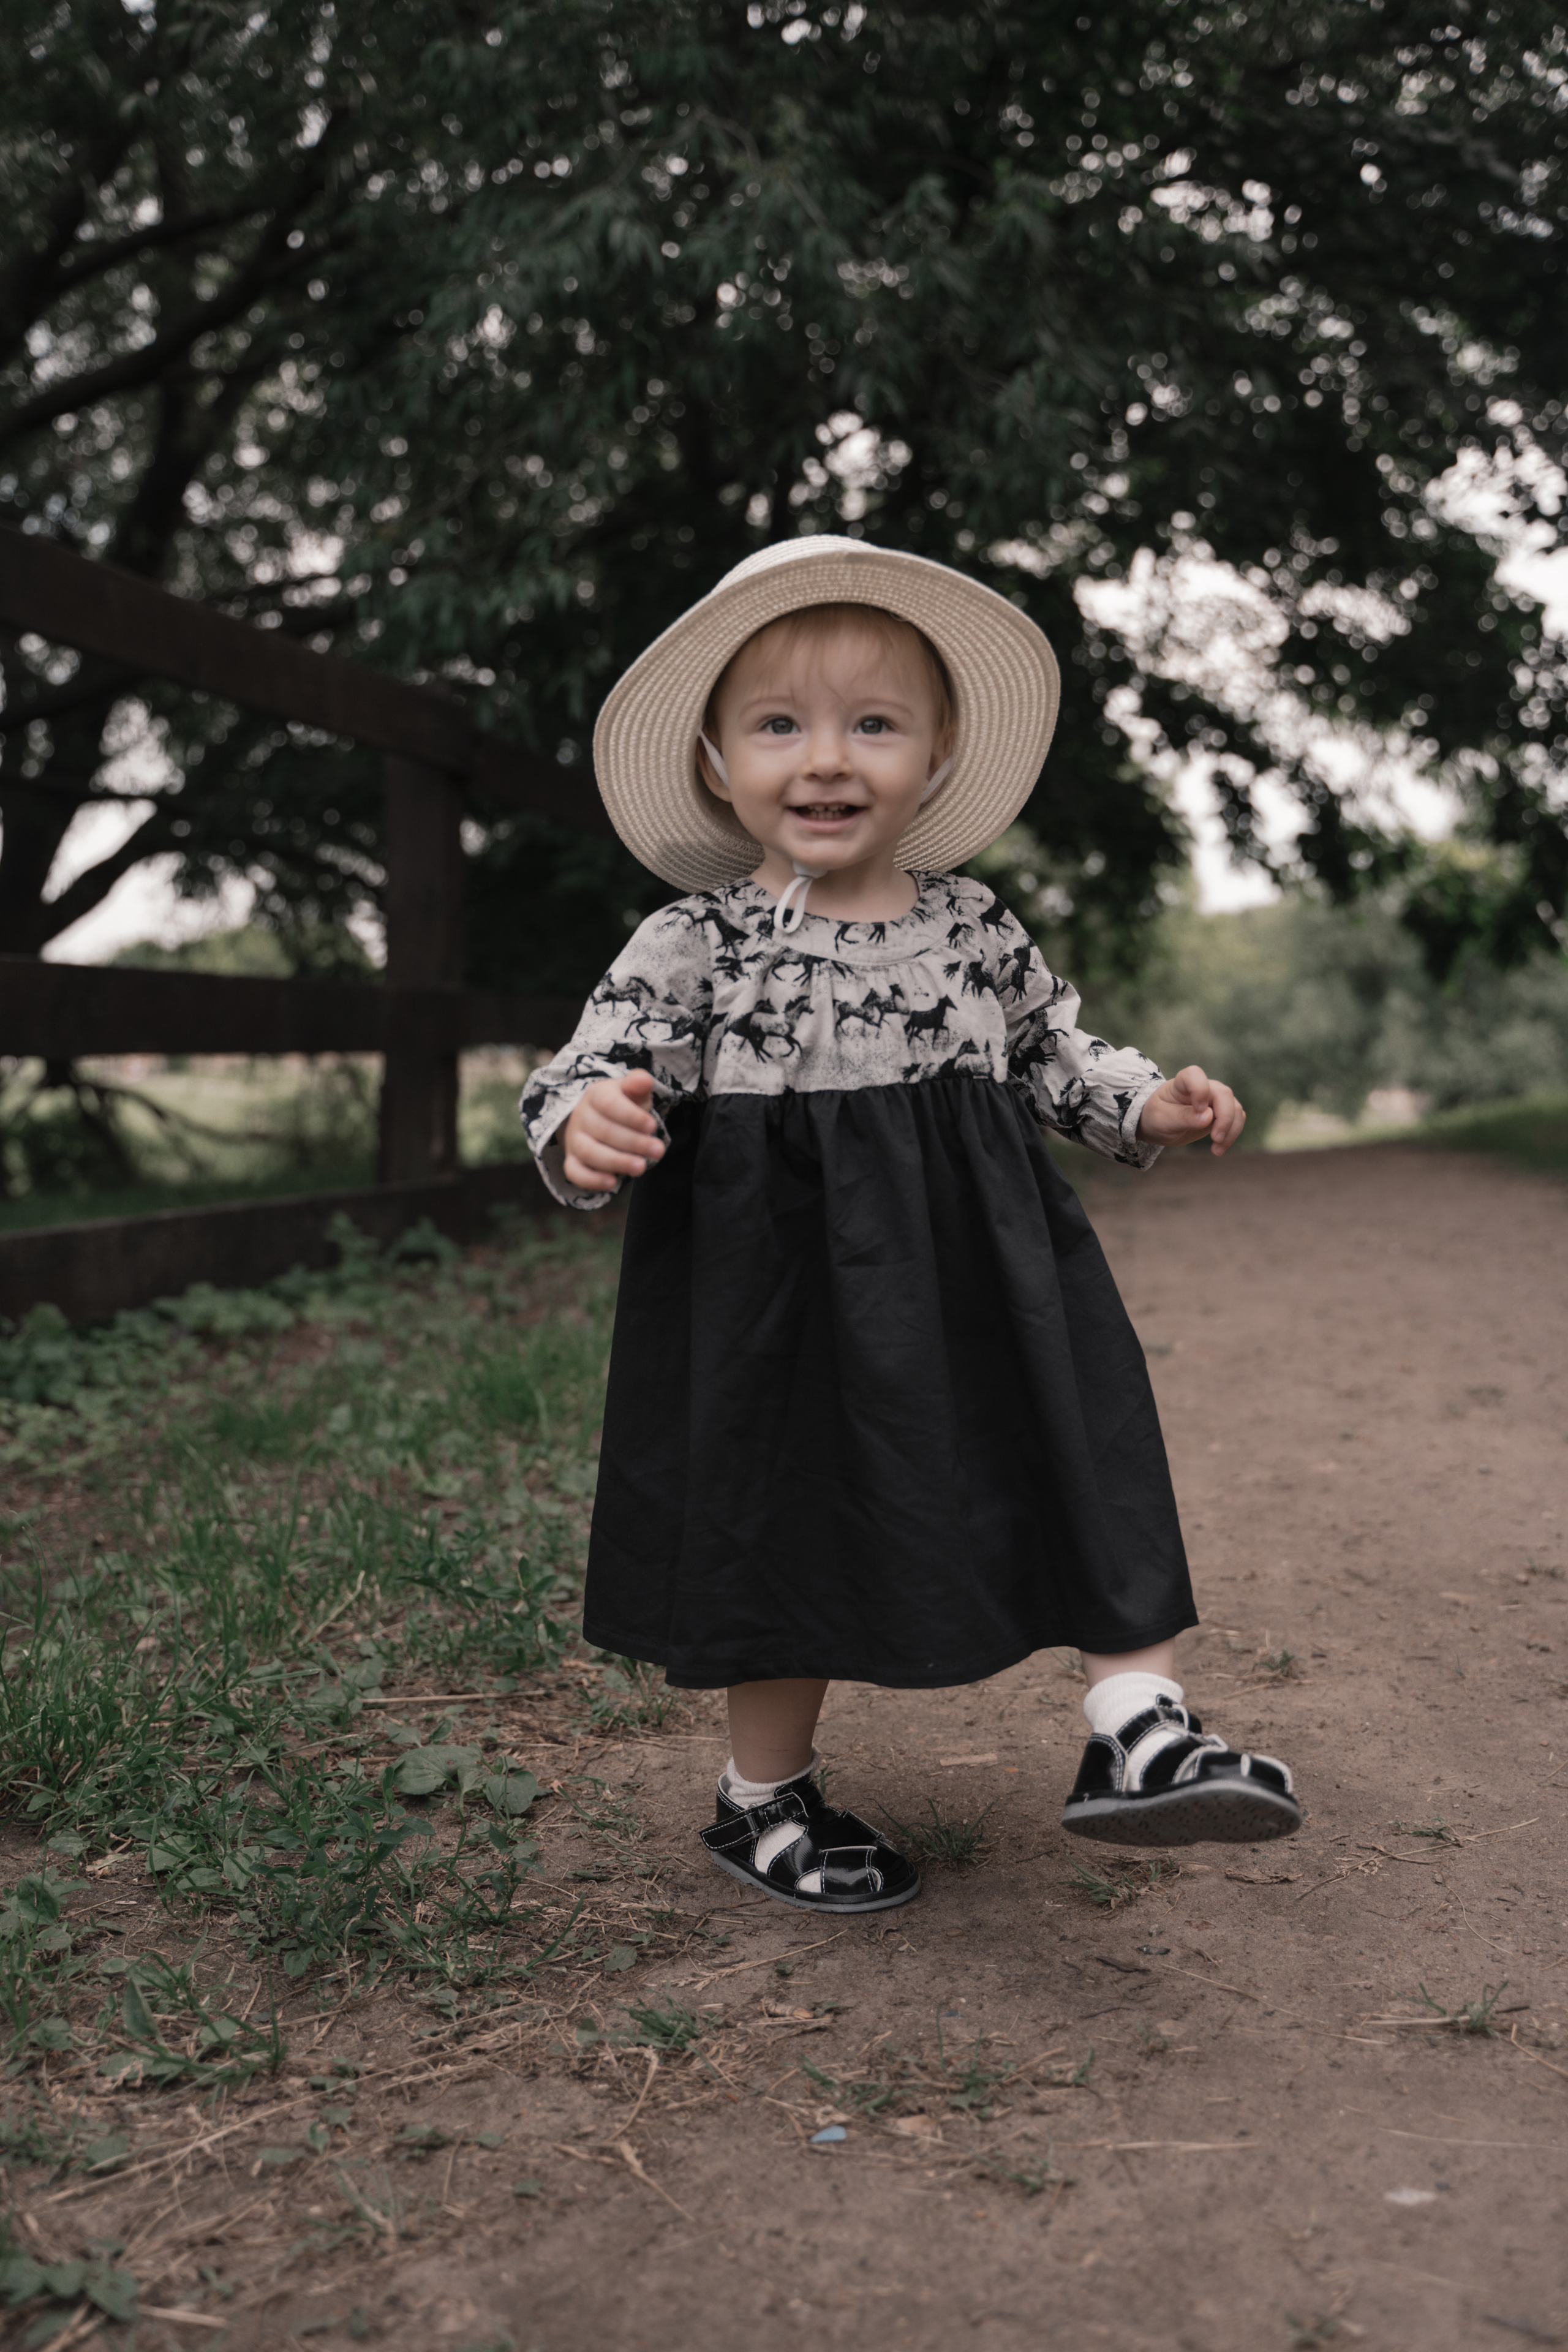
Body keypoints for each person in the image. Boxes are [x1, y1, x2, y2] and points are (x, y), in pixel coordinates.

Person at [520, 535, 1299, 1915]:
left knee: (1079, 1443)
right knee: (781, 1515)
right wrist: (587, 1126)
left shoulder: (973, 923)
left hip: (981, 1268)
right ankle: (759, 1796)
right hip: (775, 1289)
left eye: (872, 725)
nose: (825, 759)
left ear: (933, 759)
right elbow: (584, 1068)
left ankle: (1138, 1727)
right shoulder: (693, 941)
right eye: (779, 727)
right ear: (715, 761)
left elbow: (1054, 1048)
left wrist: (1144, 1104)